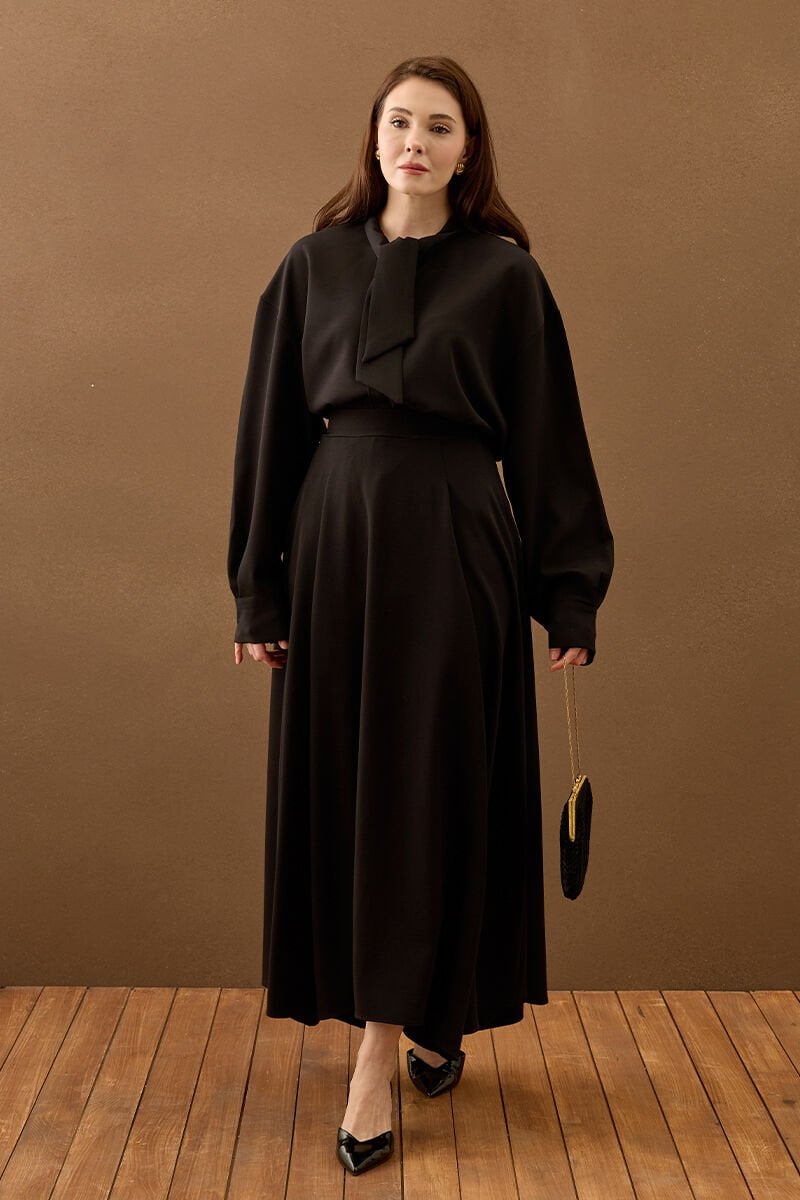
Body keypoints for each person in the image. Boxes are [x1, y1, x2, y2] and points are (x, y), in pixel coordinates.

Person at [227, 55, 614, 1177]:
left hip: (455, 548)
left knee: (435, 787)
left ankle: (388, 1041)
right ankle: (398, 1026)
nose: (415, 141)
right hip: (336, 550)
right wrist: (258, 585)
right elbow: (268, 433)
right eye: (398, 121)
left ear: (467, 148)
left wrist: (568, 589)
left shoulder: (504, 278)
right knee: (358, 790)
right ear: (373, 136)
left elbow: (547, 438)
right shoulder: (310, 266)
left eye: (439, 126)